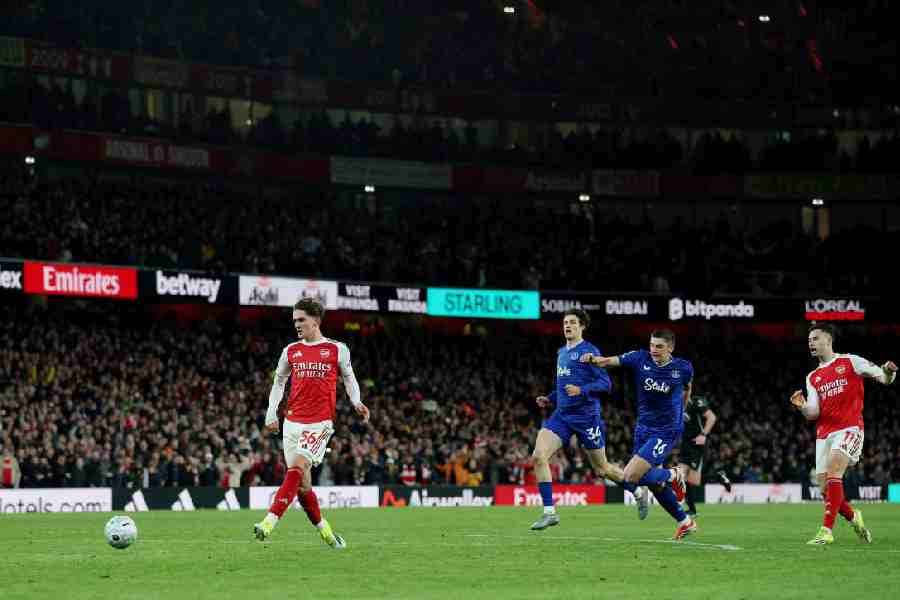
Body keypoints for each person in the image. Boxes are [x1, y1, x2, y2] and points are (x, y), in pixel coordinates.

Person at [253, 298, 370, 548]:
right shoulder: (291, 351)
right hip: (292, 422)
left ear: (315, 321)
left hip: (320, 423)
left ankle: (269, 521)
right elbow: (279, 382)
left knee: (296, 467)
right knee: (303, 486)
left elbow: (349, 378)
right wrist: (271, 411)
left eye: (301, 319)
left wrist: (356, 401)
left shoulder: (337, 349)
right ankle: (326, 532)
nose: (296, 324)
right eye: (294, 320)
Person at [581, 329, 695, 540]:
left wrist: (682, 410)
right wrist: (593, 360)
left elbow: (687, 388)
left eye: (659, 346)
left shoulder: (682, 368)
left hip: (666, 430)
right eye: (652, 345)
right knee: (654, 484)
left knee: (630, 476)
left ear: (670, 347)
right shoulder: (640, 358)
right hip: (643, 428)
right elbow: (609, 361)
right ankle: (685, 521)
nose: (654, 350)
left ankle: (674, 475)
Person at [789, 323, 896, 545]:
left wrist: (888, 370)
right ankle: (854, 517)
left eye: (815, 338)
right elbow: (813, 413)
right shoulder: (813, 377)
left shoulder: (850, 361)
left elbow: (883, 378)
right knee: (825, 489)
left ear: (828, 340)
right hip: (824, 434)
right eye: (809, 340)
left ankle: (826, 531)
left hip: (849, 428)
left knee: (835, 470)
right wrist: (802, 406)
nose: (811, 342)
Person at [530, 309, 626, 531]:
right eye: (565, 322)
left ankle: (637, 491)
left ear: (582, 326)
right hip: (562, 416)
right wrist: (550, 398)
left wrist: (582, 390)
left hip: (587, 419)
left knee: (602, 470)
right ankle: (549, 512)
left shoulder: (590, 351)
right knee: (538, 456)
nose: (568, 326)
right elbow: (563, 387)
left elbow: (606, 384)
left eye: (573, 322)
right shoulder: (561, 352)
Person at [677, 392, 730, 516]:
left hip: (697, 443)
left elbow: (712, 417)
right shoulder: (676, 406)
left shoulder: (696, 402)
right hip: (686, 444)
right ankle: (692, 510)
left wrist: (703, 434)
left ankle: (719, 476)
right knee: (680, 476)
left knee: (693, 481)